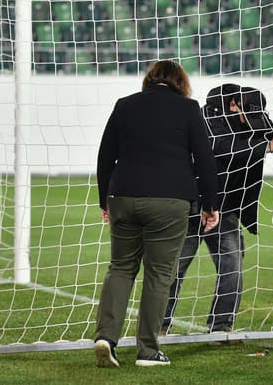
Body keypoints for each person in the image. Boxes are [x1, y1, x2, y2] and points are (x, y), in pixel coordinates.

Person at [94, 60, 220, 368]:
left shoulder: (124, 105)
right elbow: (204, 159)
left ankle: (105, 338)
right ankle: (148, 351)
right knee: (159, 274)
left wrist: (104, 200)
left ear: (150, 80)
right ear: (180, 82)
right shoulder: (189, 109)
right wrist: (210, 205)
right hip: (170, 199)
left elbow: (105, 155)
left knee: (121, 268)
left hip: (124, 195)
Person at [162, 84, 273, 335]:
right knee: (174, 268)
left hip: (225, 211)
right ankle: (158, 325)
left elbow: (272, 131)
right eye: (248, 114)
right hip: (192, 207)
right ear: (233, 104)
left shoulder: (248, 115)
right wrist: (266, 146)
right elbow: (222, 148)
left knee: (232, 266)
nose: (252, 120)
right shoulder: (203, 119)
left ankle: (221, 326)